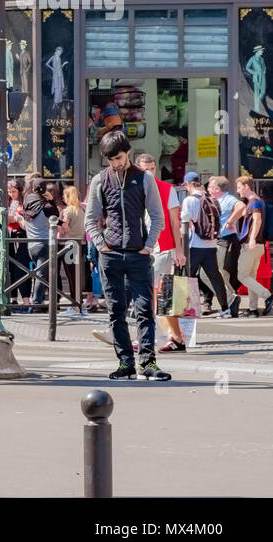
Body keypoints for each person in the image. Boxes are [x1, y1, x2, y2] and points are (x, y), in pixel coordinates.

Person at [84, 130, 169, 380]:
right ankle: (125, 362)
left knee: (144, 309)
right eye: (110, 160)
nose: (116, 163)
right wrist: (101, 244)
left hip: (138, 253)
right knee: (116, 310)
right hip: (110, 254)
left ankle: (148, 362)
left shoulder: (144, 179)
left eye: (118, 158)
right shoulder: (100, 180)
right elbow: (91, 218)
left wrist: (148, 245)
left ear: (127, 152)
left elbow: (157, 215)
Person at [136, 153, 187, 351]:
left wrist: (180, 251)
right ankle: (174, 338)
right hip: (141, 248)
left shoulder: (167, 189)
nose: (149, 173)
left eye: (152, 169)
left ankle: (150, 338)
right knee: (156, 296)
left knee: (156, 295)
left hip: (162, 248)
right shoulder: (134, 188)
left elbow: (175, 222)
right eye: (145, 169)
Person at [180, 171, 232, 318]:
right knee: (215, 277)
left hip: (194, 245)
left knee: (187, 277)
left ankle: (190, 309)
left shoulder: (189, 200)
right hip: (211, 245)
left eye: (186, 185)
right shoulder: (211, 198)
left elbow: (185, 224)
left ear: (189, 184)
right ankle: (225, 309)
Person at [231, 176, 273, 316]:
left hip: (252, 245)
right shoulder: (258, 202)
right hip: (258, 245)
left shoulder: (254, 202)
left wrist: (252, 239)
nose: (237, 191)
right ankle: (253, 308)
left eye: (239, 187)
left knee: (242, 275)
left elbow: (257, 221)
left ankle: (267, 296)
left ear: (246, 186)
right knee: (251, 276)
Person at [22, 176, 60, 311]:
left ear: (33, 189)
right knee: (41, 274)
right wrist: (51, 200)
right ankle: (36, 303)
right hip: (44, 243)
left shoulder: (26, 203)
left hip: (30, 244)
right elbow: (56, 216)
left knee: (39, 273)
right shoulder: (47, 206)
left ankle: (41, 301)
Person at [210, 175, 243, 314]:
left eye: (211, 186)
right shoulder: (216, 200)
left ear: (217, 188)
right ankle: (230, 298)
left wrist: (230, 221)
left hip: (226, 239)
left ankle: (231, 298)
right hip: (218, 239)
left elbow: (241, 206)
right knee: (218, 272)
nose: (208, 189)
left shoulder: (228, 199)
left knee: (218, 271)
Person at [57, 184, 85, 316]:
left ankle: (75, 306)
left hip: (68, 245)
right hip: (79, 244)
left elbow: (65, 227)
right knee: (76, 275)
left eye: (64, 195)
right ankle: (80, 304)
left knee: (71, 275)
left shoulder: (68, 211)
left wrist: (56, 224)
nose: (63, 197)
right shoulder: (81, 210)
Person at [6, 179, 31, 306]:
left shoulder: (25, 202)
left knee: (21, 268)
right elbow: (8, 218)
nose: (11, 194)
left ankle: (26, 300)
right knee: (10, 268)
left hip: (22, 237)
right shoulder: (10, 202)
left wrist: (18, 218)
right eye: (9, 192)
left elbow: (25, 222)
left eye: (13, 191)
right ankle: (13, 298)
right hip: (10, 236)